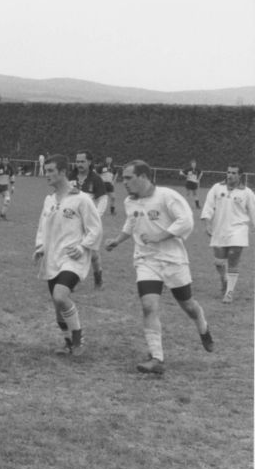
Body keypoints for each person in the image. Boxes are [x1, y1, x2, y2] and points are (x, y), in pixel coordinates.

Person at [105, 160, 214, 374]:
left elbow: (186, 221)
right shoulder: (130, 201)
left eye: (129, 178)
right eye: (123, 178)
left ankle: (203, 326)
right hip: (146, 260)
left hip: (173, 259)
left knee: (188, 305)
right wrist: (118, 240)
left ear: (144, 176)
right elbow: (131, 221)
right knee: (148, 305)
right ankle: (157, 358)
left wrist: (159, 236)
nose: (124, 182)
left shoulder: (166, 196)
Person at [34, 154, 103, 356]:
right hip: (52, 258)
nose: (46, 175)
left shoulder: (81, 199)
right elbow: (42, 227)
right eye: (45, 171)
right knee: (58, 304)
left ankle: (78, 339)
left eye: (50, 171)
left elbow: (95, 229)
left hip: (73, 257)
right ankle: (68, 343)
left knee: (60, 296)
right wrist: (40, 247)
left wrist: (83, 247)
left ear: (63, 173)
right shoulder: (48, 200)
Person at [200, 163, 255, 303]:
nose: (230, 175)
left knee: (233, 259)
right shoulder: (217, 188)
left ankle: (229, 293)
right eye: (228, 172)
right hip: (219, 230)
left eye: (233, 173)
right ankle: (224, 280)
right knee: (219, 262)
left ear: (240, 175)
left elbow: (253, 212)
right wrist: (207, 224)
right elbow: (208, 206)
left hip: (238, 230)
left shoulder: (247, 192)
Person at [69, 150, 107, 288]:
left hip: (90, 223)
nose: (79, 164)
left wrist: (95, 217)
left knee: (93, 255)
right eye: (77, 161)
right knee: (72, 249)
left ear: (89, 162)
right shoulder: (71, 176)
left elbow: (103, 199)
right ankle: (69, 282)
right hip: (72, 221)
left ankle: (98, 277)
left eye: (82, 161)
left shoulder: (96, 179)